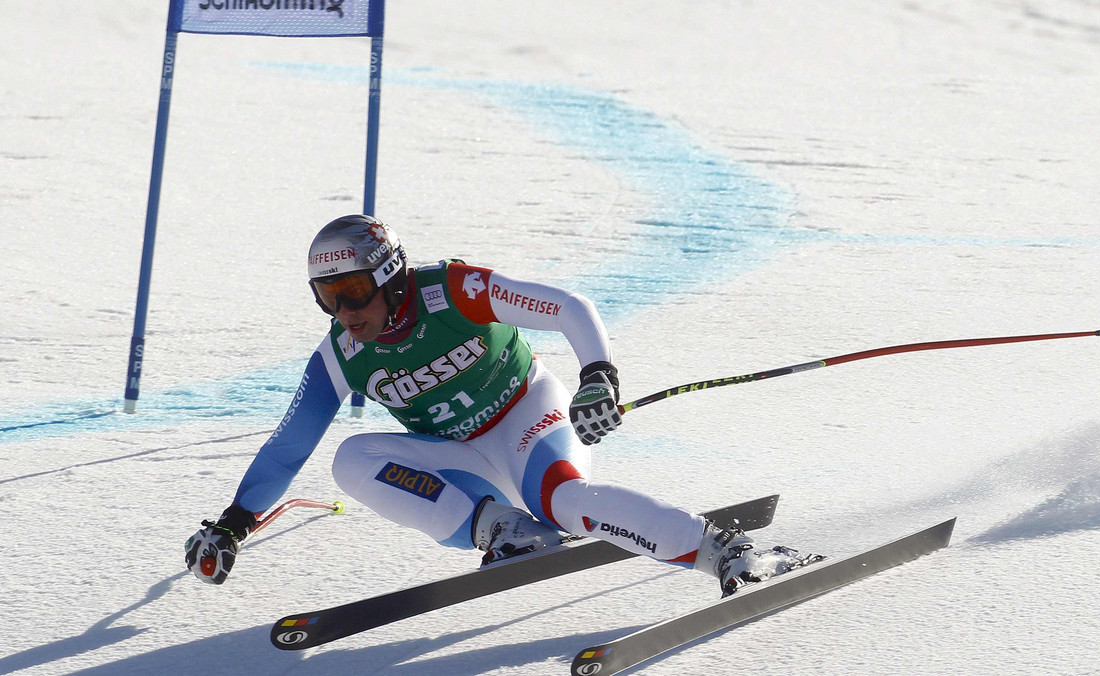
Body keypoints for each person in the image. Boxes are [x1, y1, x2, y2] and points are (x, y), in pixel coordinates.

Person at [185, 214, 820, 596]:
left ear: (389, 275)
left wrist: (598, 376)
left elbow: (569, 307)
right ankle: (502, 530)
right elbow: (290, 445)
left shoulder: (452, 291)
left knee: (565, 503)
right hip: (460, 460)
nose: (345, 312)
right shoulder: (340, 354)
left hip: (526, 420)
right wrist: (233, 524)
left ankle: (726, 550)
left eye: (354, 291)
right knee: (350, 459)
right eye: (327, 297)